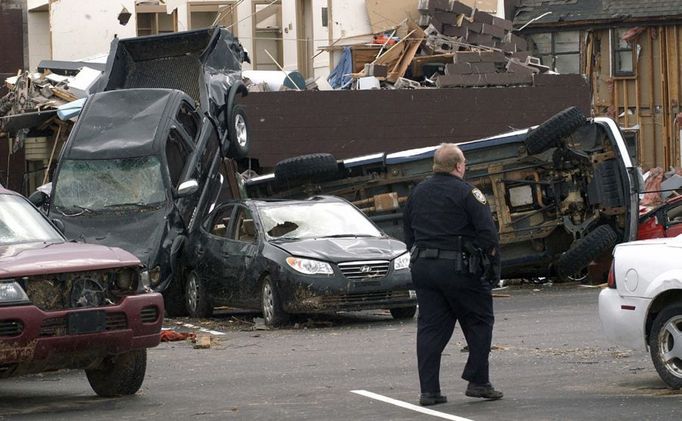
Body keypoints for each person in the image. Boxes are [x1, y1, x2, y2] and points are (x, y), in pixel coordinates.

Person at [403, 143, 502, 406]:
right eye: (464, 163)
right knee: (480, 320)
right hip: (459, 269)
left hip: (423, 268)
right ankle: (478, 382)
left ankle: (429, 392)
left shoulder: (417, 192)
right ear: (459, 166)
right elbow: (488, 236)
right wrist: (489, 266)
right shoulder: (469, 193)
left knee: (430, 329)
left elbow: (408, 233)